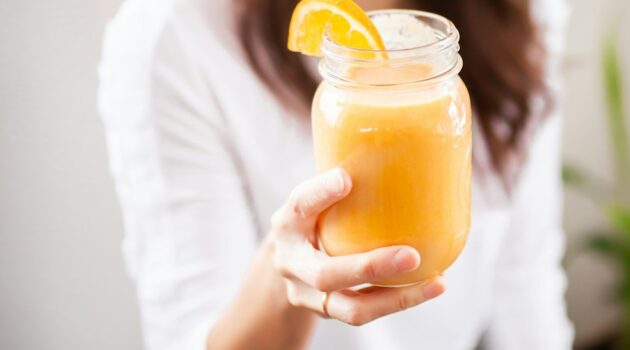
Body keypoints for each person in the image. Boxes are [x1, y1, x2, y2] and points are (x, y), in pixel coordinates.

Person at [98, 0, 573, 348]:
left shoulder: (522, 12)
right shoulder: (168, 37)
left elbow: (524, 283)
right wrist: (283, 283)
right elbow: (186, 335)